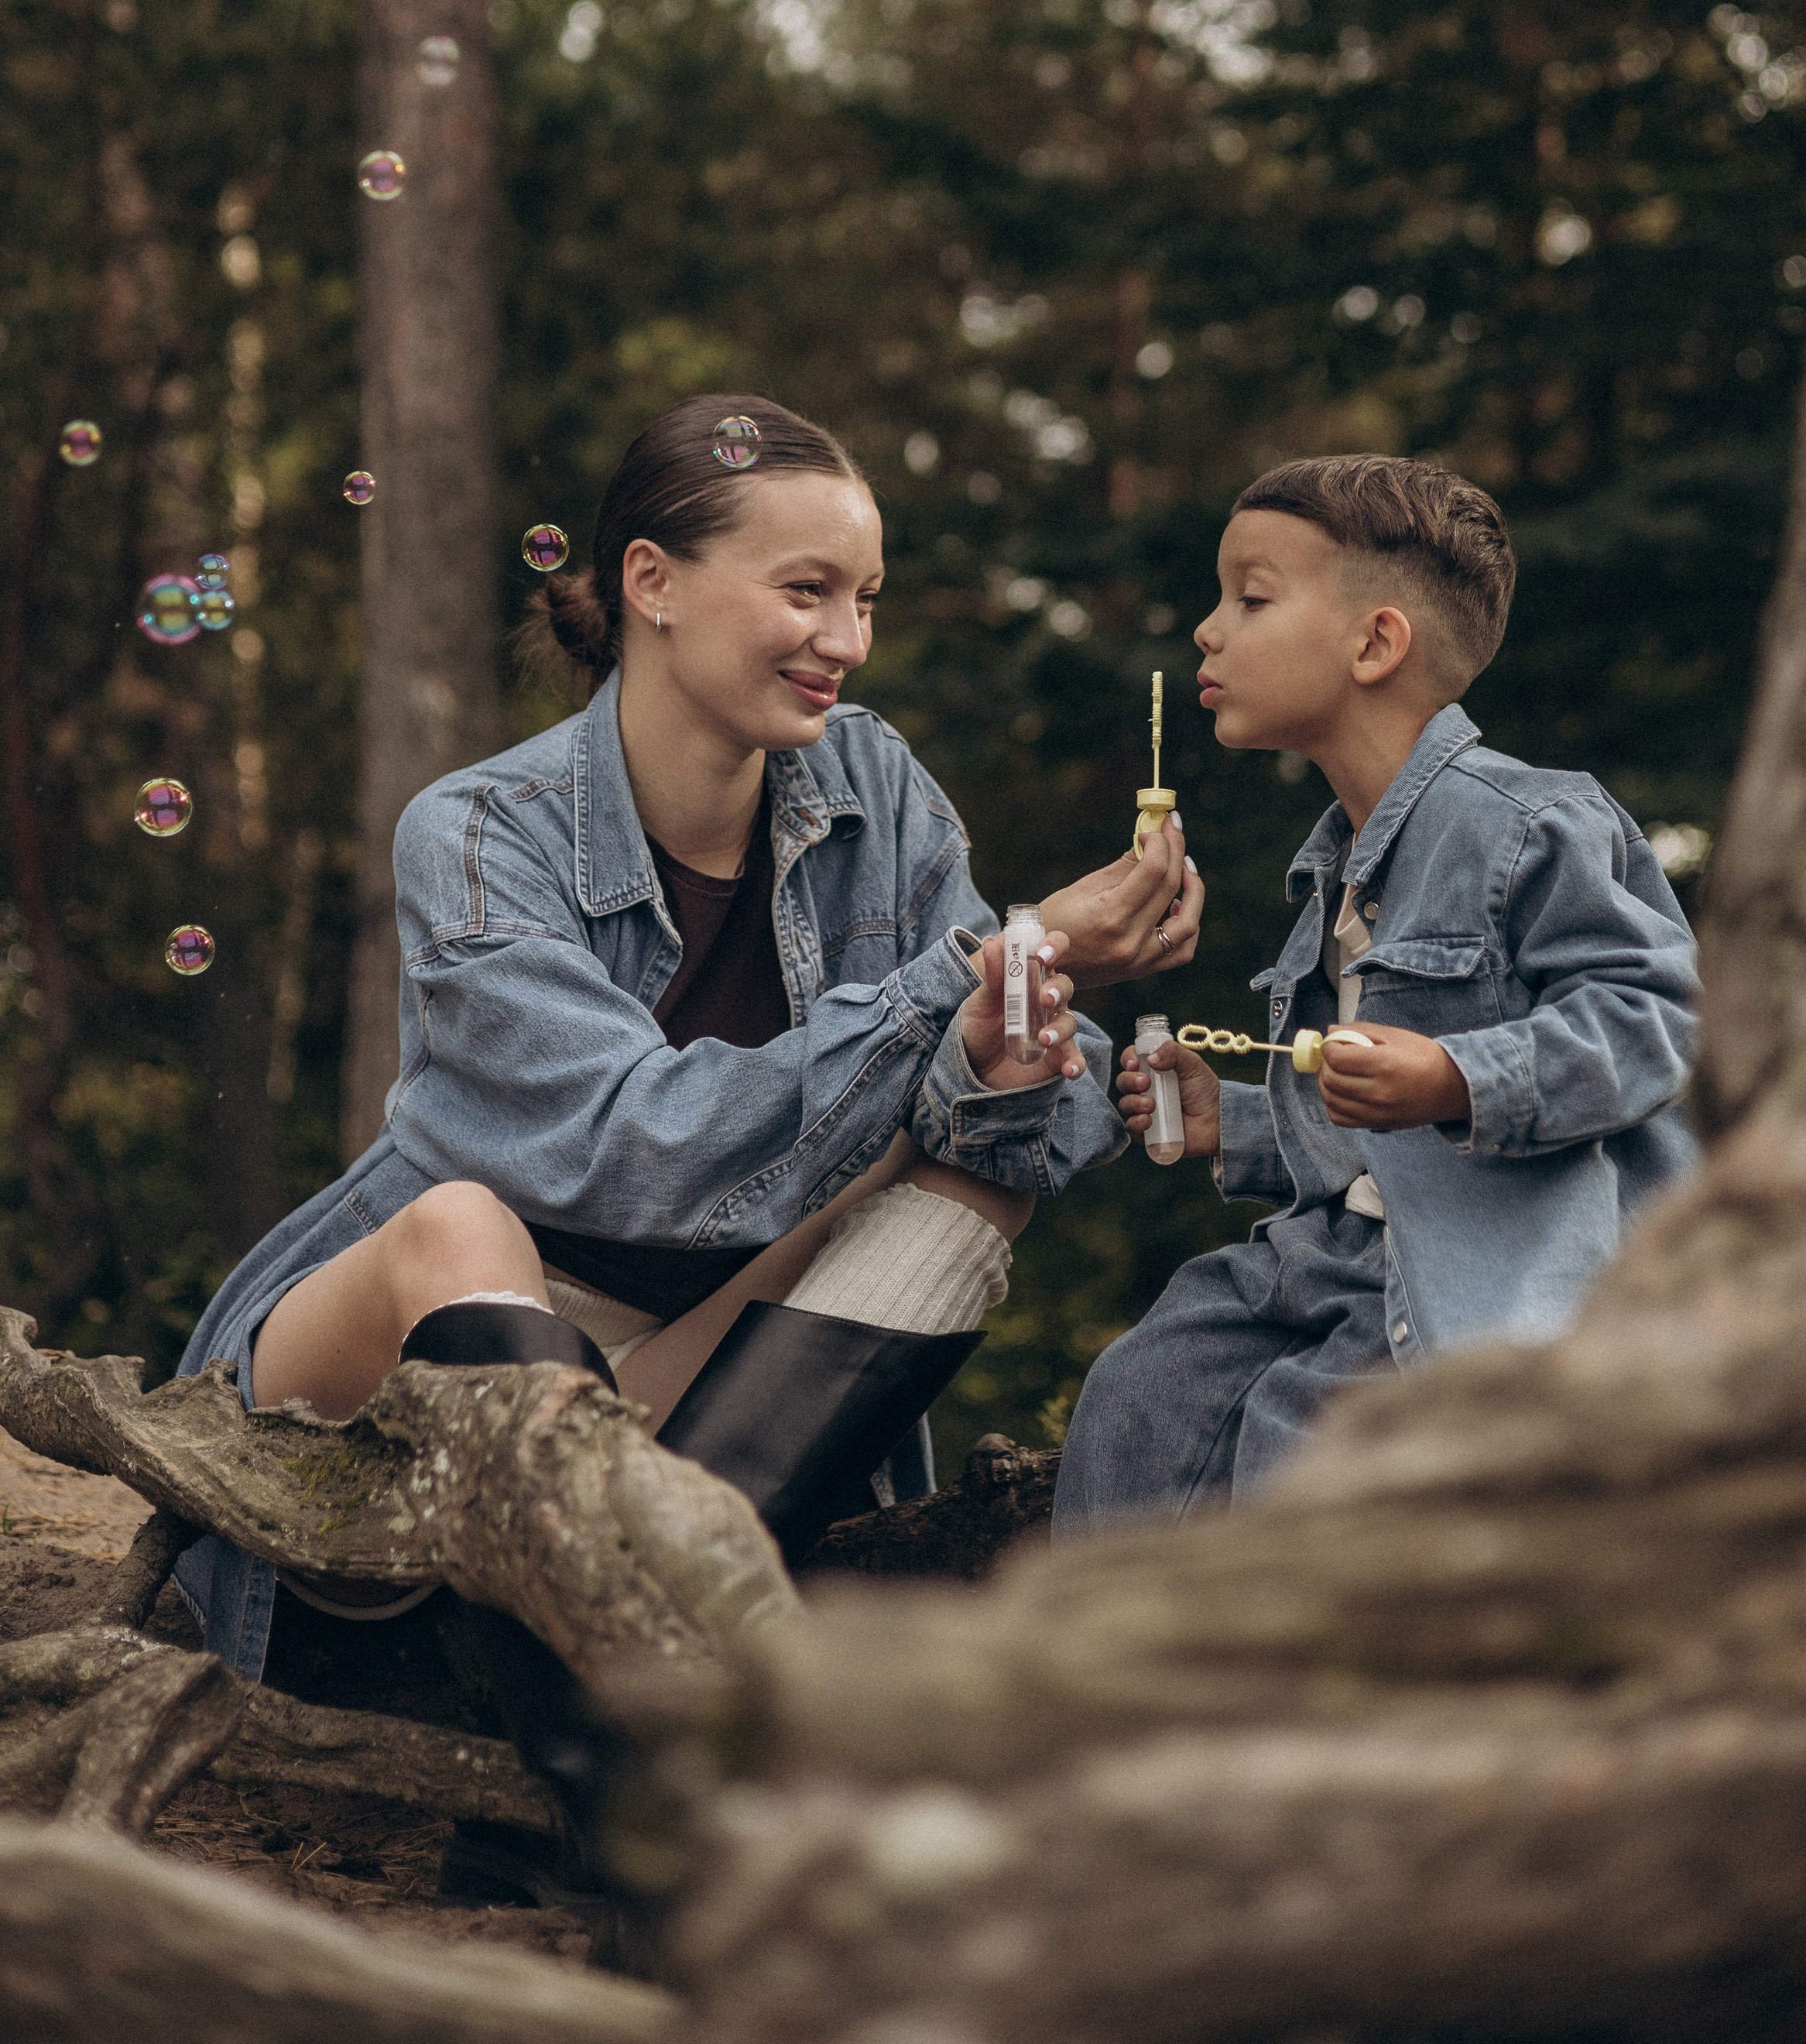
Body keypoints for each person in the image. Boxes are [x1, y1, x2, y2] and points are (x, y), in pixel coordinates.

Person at [176, 393, 1202, 1687]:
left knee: (969, 1177)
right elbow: (635, 1149)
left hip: (684, 1404)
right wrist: (972, 970)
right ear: (652, 583)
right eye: (808, 590)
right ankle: (616, 1680)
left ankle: (604, 1699)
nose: (848, 640)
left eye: (866, 599)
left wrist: (1003, 1055)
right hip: (400, 1391)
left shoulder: (872, 787)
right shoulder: (482, 831)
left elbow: (1035, 1122)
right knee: (459, 1221)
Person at [1052, 451, 1698, 1531]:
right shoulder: (1334, 867)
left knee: (1300, 1450)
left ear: (1375, 642)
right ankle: (1096, 1683)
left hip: (1479, 1265)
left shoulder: (1532, 822)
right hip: (1336, 1250)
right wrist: (1240, 1124)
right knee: (1142, 1392)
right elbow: (1362, 1124)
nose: (1208, 631)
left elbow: (1657, 1025)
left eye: (1250, 599)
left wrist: (1457, 1075)